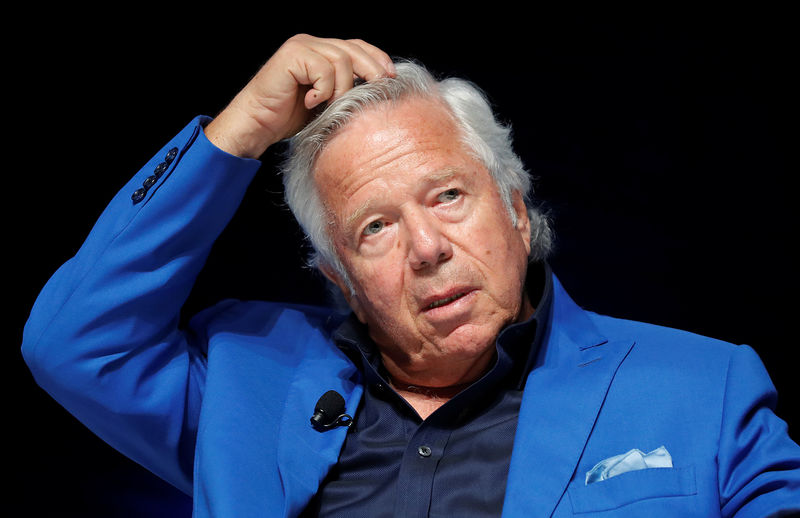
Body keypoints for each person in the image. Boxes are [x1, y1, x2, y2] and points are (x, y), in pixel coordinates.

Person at [21, 34, 800, 517]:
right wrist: (238, 132)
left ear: (517, 209)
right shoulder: (242, 380)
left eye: (449, 195)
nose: (426, 248)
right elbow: (73, 343)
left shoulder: (704, 389)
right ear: (340, 276)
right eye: (376, 228)